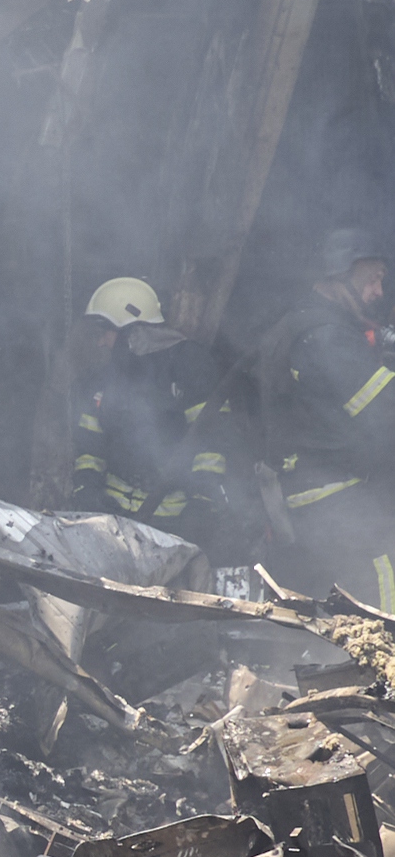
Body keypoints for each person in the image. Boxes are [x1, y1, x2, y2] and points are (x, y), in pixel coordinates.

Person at [252, 229, 395, 604]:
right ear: (337, 274)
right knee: (381, 573)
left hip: (314, 495)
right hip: (337, 493)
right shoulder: (325, 337)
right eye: (373, 278)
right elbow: (386, 412)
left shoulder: (302, 326)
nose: (379, 292)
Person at [68, 277, 238, 552]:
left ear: (129, 329)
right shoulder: (101, 379)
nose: (100, 341)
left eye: (106, 331)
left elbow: (213, 438)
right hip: (113, 525)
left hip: (174, 524)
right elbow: (89, 445)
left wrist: (202, 504)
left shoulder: (187, 365)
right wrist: (87, 491)